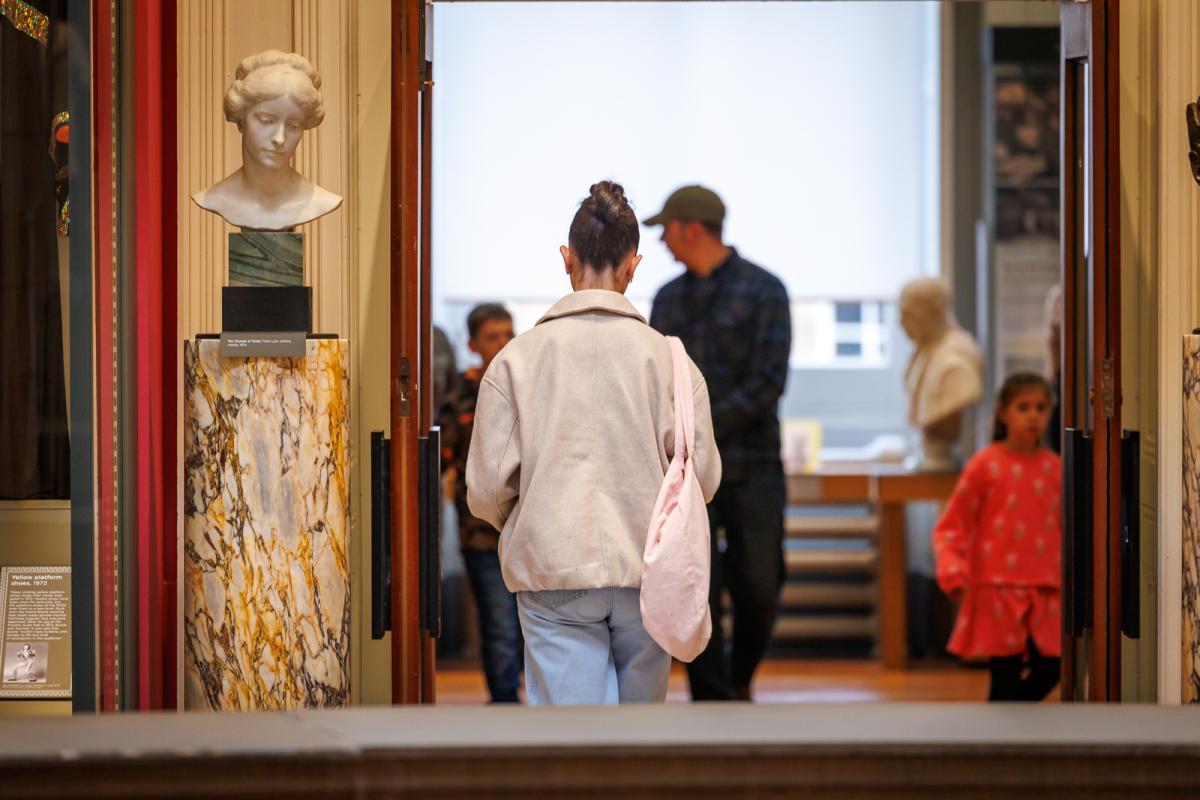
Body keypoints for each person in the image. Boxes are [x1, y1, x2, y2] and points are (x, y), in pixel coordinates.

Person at [466, 181, 721, 705]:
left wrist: (529, 517)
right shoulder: (672, 361)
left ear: (567, 258)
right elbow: (705, 479)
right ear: (634, 264)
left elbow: (485, 490)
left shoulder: (516, 360)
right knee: (636, 738)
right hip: (647, 573)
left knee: (570, 744)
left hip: (552, 566)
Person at [644, 185, 790, 702]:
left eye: (666, 229)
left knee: (761, 585)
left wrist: (702, 428)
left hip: (753, 467)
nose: (661, 240)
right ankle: (712, 699)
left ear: (692, 228)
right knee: (692, 586)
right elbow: (659, 381)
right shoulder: (667, 298)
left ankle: (739, 678)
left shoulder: (766, 291)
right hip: (687, 473)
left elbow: (768, 382)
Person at [932, 372, 1062, 702]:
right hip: (998, 588)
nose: (1033, 415)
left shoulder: (1055, 468)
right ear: (1004, 413)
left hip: (1046, 588)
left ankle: (1006, 729)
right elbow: (951, 527)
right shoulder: (984, 466)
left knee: (1054, 665)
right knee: (1004, 674)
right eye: (1023, 407)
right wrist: (953, 572)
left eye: (1041, 407)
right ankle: (1003, 742)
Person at [439, 304, 522, 703]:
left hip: (528, 527)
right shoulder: (459, 395)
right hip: (480, 533)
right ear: (473, 343)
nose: (504, 343)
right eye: (493, 336)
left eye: (509, 333)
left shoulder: (530, 385)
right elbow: (442, 458)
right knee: (500, 624)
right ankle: (505, 704)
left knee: (537, 623)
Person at [192, 50, 342, 230]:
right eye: (266, 121)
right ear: (241, 120)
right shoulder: (215, 198)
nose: (279, 138)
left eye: (293, 126)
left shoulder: (319, 201)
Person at [899, 277, 985, 470]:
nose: (901, 323)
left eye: (908, 314)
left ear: (935, 310)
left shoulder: (956, 360)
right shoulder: (924, 352)